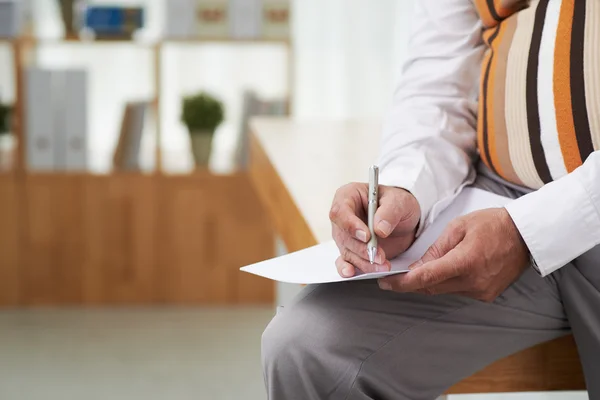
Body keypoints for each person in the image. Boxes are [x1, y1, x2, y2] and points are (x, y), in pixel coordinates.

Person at [262, 0, 600, 398]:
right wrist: (408, 189)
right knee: (308, 349)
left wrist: (530, 230)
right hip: (497, 205)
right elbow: (438, 81)